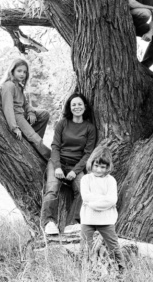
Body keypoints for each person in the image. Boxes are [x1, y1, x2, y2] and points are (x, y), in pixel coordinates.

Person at [42, 93, 96, 235]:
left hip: (76, 165)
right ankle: (49, 222)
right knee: (52, 189)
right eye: (73, 105)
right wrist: (57, 167)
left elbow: (87, 153)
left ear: (84, 106)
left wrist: (75, 171)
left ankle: (72, 223)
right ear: (69, 107)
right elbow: (55, 147)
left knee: (83, 191)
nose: (77, 107)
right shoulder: (63, 123)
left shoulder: (89, 128)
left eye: (79, 104)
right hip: (57, 162)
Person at [80, 148, 124, 271]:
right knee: (85, 246)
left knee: (113, 245)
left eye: (103, 167)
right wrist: (102, 199)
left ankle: (121, 268)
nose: (99, 170)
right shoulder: (86, 179)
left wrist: (92, 204)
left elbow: (111, 200)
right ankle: (84, 270)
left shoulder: (110, 180)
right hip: (88, 218)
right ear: (91, 164)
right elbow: (86, 197)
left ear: (108, 167)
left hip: (106, 219)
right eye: (96, 166)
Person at [0, 58, 50, 159]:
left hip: (22, 113)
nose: (22, 74)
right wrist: (14, 127)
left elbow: (25, 104)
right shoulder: (9, 86)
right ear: (12, 71)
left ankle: (32, 141)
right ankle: (53, 159)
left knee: (44, 114)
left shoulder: (19, 86)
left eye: (25, 72)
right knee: (37, 140)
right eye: (19, 71)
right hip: (16, 116)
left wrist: (31, 112)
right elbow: (8, 108)